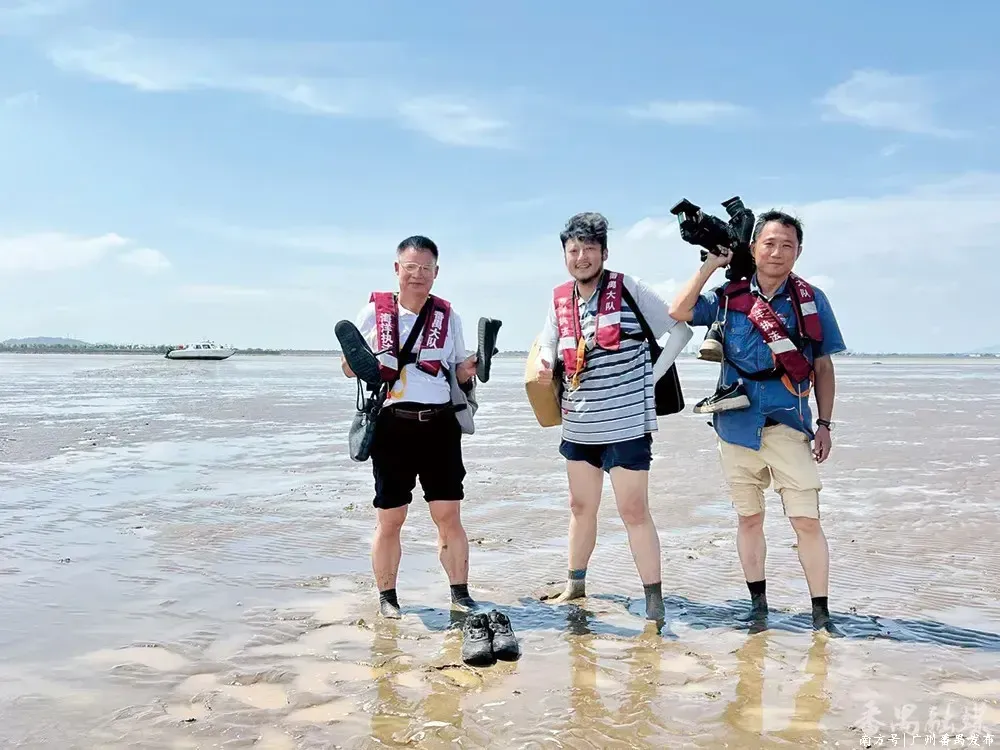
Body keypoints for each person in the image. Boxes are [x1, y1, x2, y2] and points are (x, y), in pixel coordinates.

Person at [668, 210, 846, 632]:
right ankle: (758, 607)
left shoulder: (811, 300)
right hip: (734, 426)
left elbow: (823, 366)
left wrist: (825, 424)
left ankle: (821, 615)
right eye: (769, 243)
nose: (778, 252)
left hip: (790, 423)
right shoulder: (729, 297)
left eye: (788, 245)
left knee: (806, 520)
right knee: (749, 518)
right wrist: (711, 263)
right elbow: (679, 310)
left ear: (798, 251)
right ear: (753, 248)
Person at [534, 212, 693, 622]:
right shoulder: (560, 299)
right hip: (579, 423)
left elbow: (679, 330)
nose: (581, 257)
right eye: (573, 250)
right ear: (565, 255)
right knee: (579, 507)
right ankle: (575, 584)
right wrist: (545, 361)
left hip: (626, 425)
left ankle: (654, 601)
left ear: (604, 252)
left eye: (590, 249)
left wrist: (651, 379)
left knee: (634, 512)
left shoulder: (628, 288)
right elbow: (550, 339)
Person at [341, 235, 479, 619]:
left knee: (448, 514)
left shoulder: (448, 317)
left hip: (439, 427)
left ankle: (461, 594)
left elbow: (458, 370)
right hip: (392, 426)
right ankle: (387, 597)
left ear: (437, 273)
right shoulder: (374, 313)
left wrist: (472, 367)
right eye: (411, 267)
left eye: (426, 269)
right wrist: (354, 364)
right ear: (397, 269)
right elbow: (348, 365)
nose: (418, 275)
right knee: (391, 516)